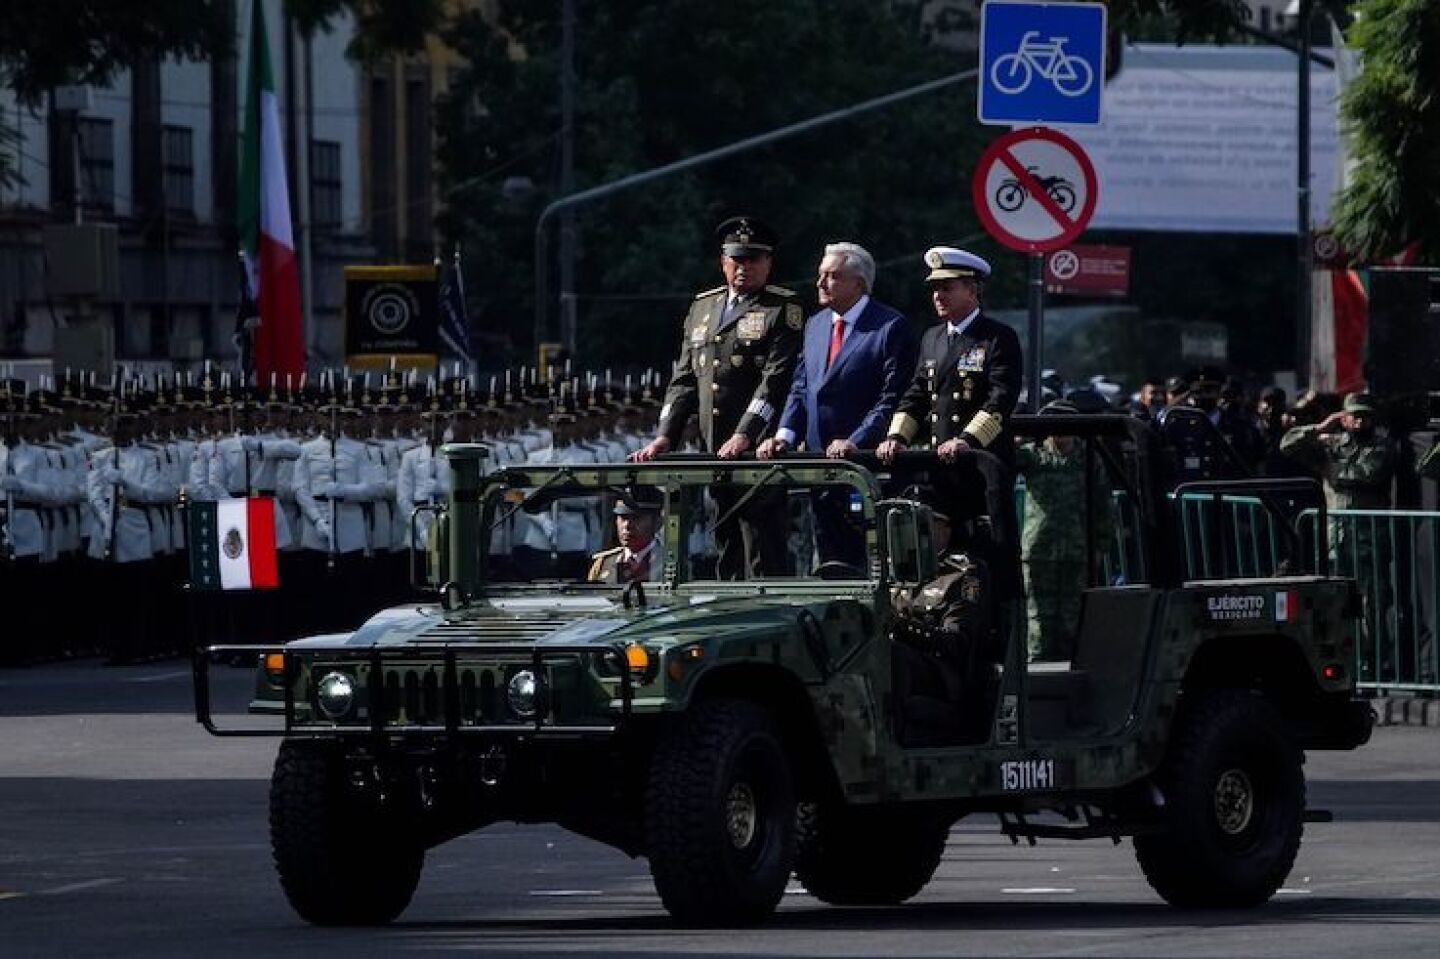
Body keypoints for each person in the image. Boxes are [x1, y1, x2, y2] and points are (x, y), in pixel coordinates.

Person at [634, 215, 802, 578]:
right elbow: (683, 379)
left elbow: (775, 380)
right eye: (737, 259)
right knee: (725, 538)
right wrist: (666, 435)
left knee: (760, 542)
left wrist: (745, 433)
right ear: (723, 261)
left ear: (768, 263)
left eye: (754, 259)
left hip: (758, 449)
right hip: (714, 445)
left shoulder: (781, 308)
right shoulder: (703, 307)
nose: (745, 268)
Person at [757, 241, 918, 567]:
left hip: (867, 470)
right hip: (820, 471)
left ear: (859, 283)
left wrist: (856, 441)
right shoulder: (815, 326)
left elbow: (890, 398)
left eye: (832, 276)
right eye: (820, 275)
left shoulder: (889, 327)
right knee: (829, 563)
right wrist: (785, 436)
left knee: (870, 564)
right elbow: (801, 389)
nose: (820, 283)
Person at [877, 246, 1022, 474]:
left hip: (982, 462)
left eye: (947, 288)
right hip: (940, 463)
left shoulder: (998, 337)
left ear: (972, 291)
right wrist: (897, 437)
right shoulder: (931, 337)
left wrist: (967, 440)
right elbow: (917, 394)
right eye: (934, 288)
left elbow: (1001, 398)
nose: (938, 295)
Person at [889, 485, 997, 746]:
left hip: (942, 677)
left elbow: (956, 643)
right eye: (906, 525)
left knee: (893, 653)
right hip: (902, 668)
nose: (913, 533)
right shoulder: (892, 571)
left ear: (945, 529)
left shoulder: (963, 574)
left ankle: (888, 736)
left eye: (923, 524)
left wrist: (901, 626)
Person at [587, 485, 666, 584]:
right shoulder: (603, 563)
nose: (627, 525)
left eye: (636, 518)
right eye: (623, 518)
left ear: (657, 522)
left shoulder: (667, 563)